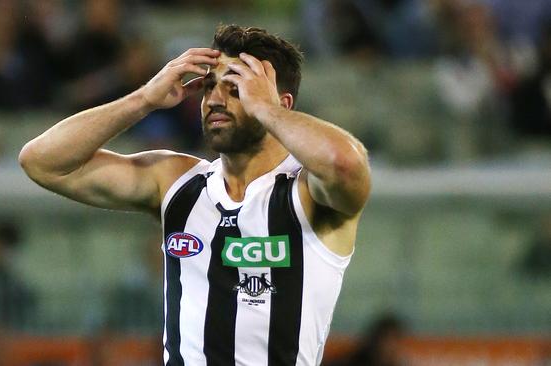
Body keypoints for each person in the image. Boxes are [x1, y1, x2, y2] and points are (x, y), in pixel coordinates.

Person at [20, 24, 371, 365]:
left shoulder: (307, 192)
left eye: (235, 88)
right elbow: (42, 162)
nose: (214, 100)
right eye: (209, 86)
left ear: (282, 101)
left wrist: (267, 110)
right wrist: (143, 99)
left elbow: (344, 164)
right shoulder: (177, 181)